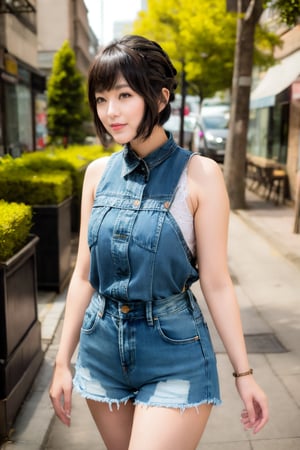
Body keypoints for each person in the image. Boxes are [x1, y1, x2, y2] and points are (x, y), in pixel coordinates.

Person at [49, 35, 268, 450]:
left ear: (160, 97)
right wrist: (62, 362)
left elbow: (217, 282)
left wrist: (245, 374)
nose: (110, 111)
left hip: (174, 351)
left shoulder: (200, 175)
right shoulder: (96, 174)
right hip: (101, 351)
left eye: (124, 95)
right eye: (100, 99)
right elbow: (83, 276)